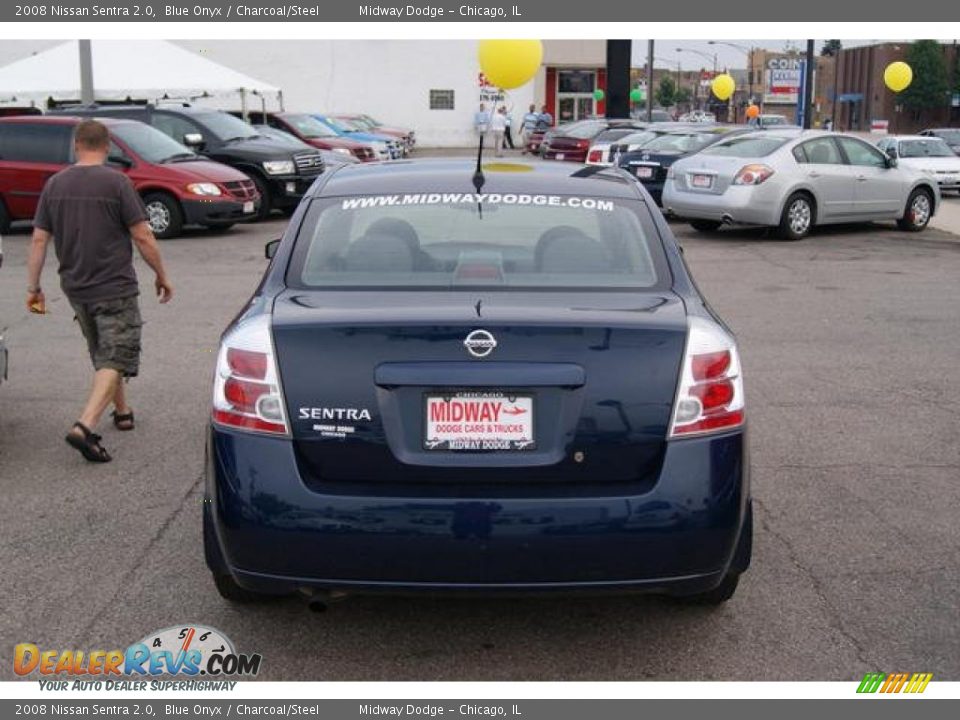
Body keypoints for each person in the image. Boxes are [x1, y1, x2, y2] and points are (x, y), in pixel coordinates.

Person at [26, 119, 174, 464]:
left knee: (104, 350)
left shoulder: (55, 184)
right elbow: (142, 235)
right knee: (116, 355)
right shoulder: (117, 182)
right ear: (107, 147)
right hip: (114, 285)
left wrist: (34, 287)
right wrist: (161, 274)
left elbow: (38, 240)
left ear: (76, 145)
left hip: (76, 287)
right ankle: (85, 426)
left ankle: (122, 411)